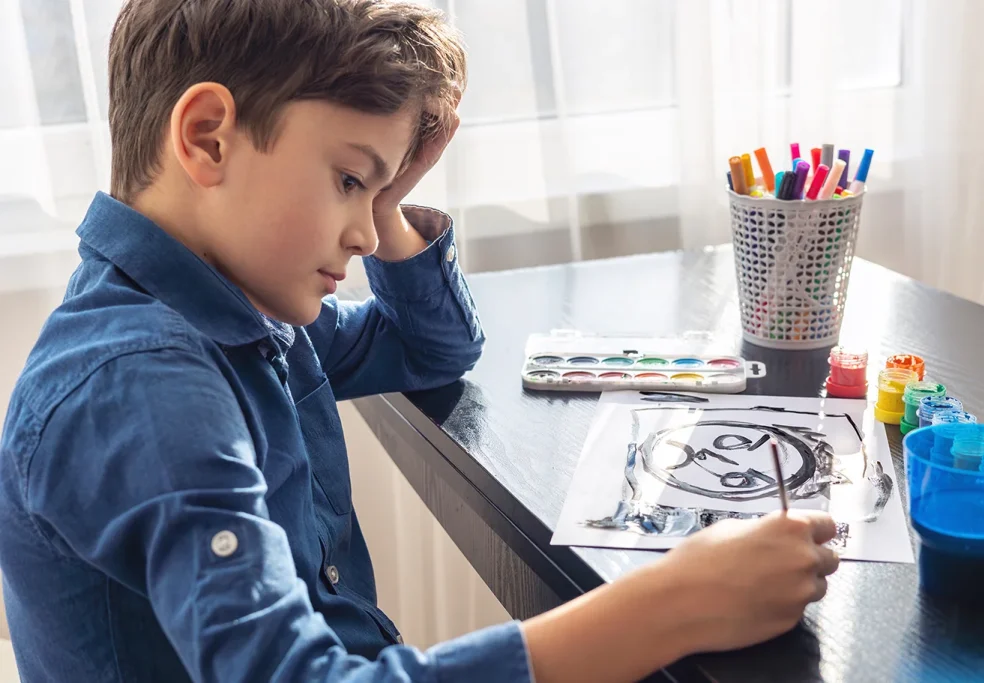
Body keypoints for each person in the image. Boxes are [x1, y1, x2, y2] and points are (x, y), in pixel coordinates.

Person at [0, 1, 840, 681]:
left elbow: (430, 347)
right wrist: (671, 605)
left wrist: (385, 193)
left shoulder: (235, 314)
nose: (367, 235)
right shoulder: (144, 384)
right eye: (348, 179)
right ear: (208, 137)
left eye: (377, 192)